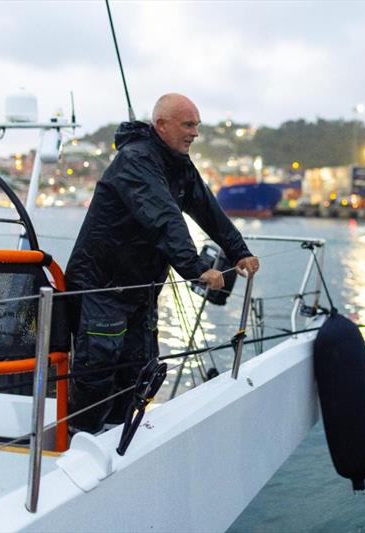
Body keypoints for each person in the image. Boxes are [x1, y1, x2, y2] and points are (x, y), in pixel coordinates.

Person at [65, 93, 259, 435]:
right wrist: (196, 267)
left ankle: (118, 436)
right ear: (162, 125)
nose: (195, 133)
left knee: (139, 368)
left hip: (140, 289)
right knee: (98, 369)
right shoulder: (135, 160)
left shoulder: (178, 164)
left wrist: (238, 249)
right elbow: (162, 216)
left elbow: (207, 209)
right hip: (103, 285)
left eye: (197, 125)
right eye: (188, 124)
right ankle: (78, 442)